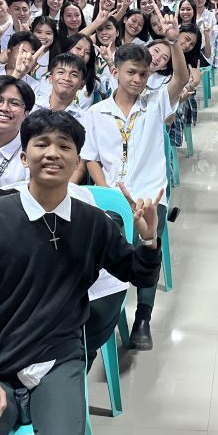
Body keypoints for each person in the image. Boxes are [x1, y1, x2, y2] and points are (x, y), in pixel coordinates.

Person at [0, 109, 163, 435]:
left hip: (58, 360)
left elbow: (137, 274)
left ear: (77, 160)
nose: (53, 153)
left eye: (65, 146)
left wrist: (147, 238)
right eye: (41, 144)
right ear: (24, 155)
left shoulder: (92, 221)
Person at [81, 35, 189, 350]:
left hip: (150, 194)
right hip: (111, 196)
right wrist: (107, 193)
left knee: (147, 247)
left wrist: (174, 43)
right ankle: (101, 310)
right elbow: (91, 159)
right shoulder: (96, 112)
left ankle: (143, 316)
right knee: (103, 251)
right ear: (115, 72)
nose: (138, 79)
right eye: (131, 72)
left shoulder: (155, 102)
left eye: (143, 73)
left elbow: (180, 78)